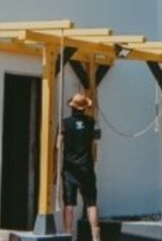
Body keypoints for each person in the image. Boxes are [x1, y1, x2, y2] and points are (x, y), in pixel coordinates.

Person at [58, 93, 101, 241]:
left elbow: (58, 146)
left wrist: (54, 170)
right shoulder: (91, 122)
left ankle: (68, 235)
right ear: (84, 108)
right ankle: (96, 237)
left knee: (69, 205)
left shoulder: (64, 123)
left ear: (72, 107)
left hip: (70, 170)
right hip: (86, 168)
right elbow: (97, 139)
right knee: (91, 204)